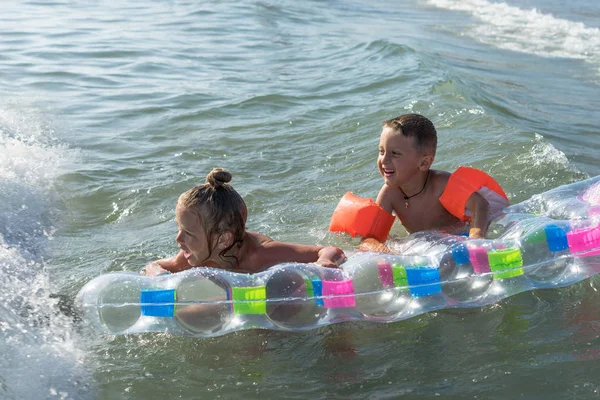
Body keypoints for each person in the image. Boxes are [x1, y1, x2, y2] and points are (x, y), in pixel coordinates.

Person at [335, 113, 509, 253]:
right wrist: (389, 254)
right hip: (425, 245)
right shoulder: (390, 193)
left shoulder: (441, 184)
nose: (384, 160)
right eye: (381, 151)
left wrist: (476, 237)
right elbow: (372, 238)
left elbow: (481, 205)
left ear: (424, 163)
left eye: (395, 154)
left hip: (458, 235)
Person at [144, 168, 347, 276]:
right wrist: (157, 273)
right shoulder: (194, 254)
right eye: (180, 229)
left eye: (187, 233)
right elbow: (155, 265)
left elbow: (330, 250)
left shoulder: (262, 254)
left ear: (223, 239)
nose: (178, 239)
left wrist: (325, 262)